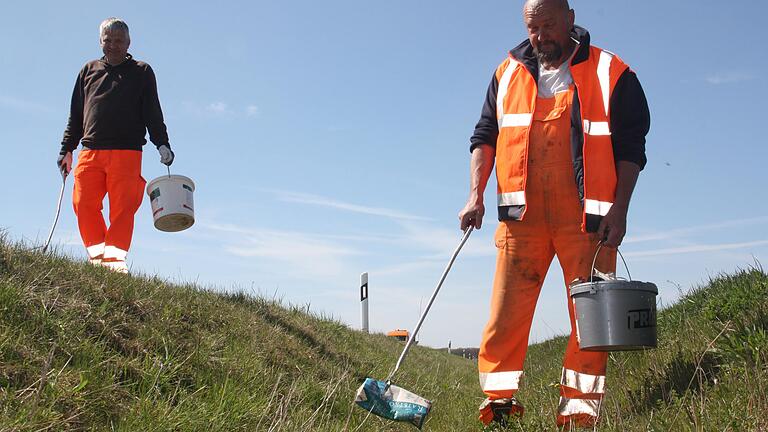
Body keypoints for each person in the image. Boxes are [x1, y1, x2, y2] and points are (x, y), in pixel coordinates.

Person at [458, 0, 649, 428]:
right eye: (533, 28)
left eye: (549, 25)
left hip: (587, 222)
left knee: (589, 321)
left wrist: (620, 210)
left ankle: (579, 414)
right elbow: (484, 135)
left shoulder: (611, 72)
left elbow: (632, 149)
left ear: (570, 19)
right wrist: (475, 195)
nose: (541, 35)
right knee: (504, 314)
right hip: (520, 219)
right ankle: (498, 406)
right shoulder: (506, 74)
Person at [57, 17, 174, 273]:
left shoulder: (142, 71)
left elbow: (152, 112)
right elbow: (75, 114)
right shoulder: (88, 70)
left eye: (118, 41)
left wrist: (162, 143)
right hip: (90, 150)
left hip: (127, 151)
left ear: (128, 43)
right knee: (83, 203)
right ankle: (97, 259)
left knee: (123, 208)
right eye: (107, 40)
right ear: (100, 41)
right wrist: (67, 149)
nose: (112, 45)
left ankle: (115, 263)